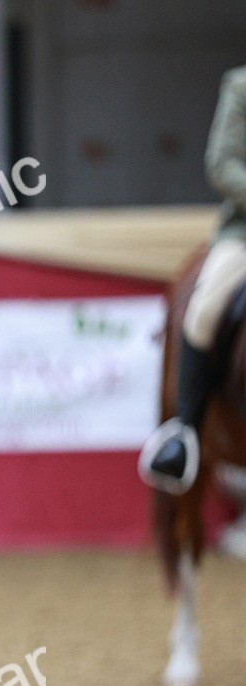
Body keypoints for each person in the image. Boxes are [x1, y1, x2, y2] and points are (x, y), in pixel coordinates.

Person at [141, 65, 246, 495]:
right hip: (243, 233)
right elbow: (222, 163)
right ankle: (185, 432)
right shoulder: (240, 86)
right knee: (203, 311)